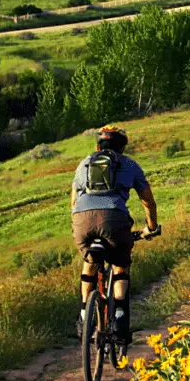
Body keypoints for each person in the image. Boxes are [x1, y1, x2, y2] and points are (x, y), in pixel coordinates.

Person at [71, 125, 159, 343]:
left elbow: (73, 201)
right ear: (122, 147)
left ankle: (84, 314)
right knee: (120, 263)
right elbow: (147, 200)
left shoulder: (84, 164)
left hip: (82, 220)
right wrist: (152, 226)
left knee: (89, 261)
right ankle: (119, 318)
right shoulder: (129, 164)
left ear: (97, 146)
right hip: (114, 220)